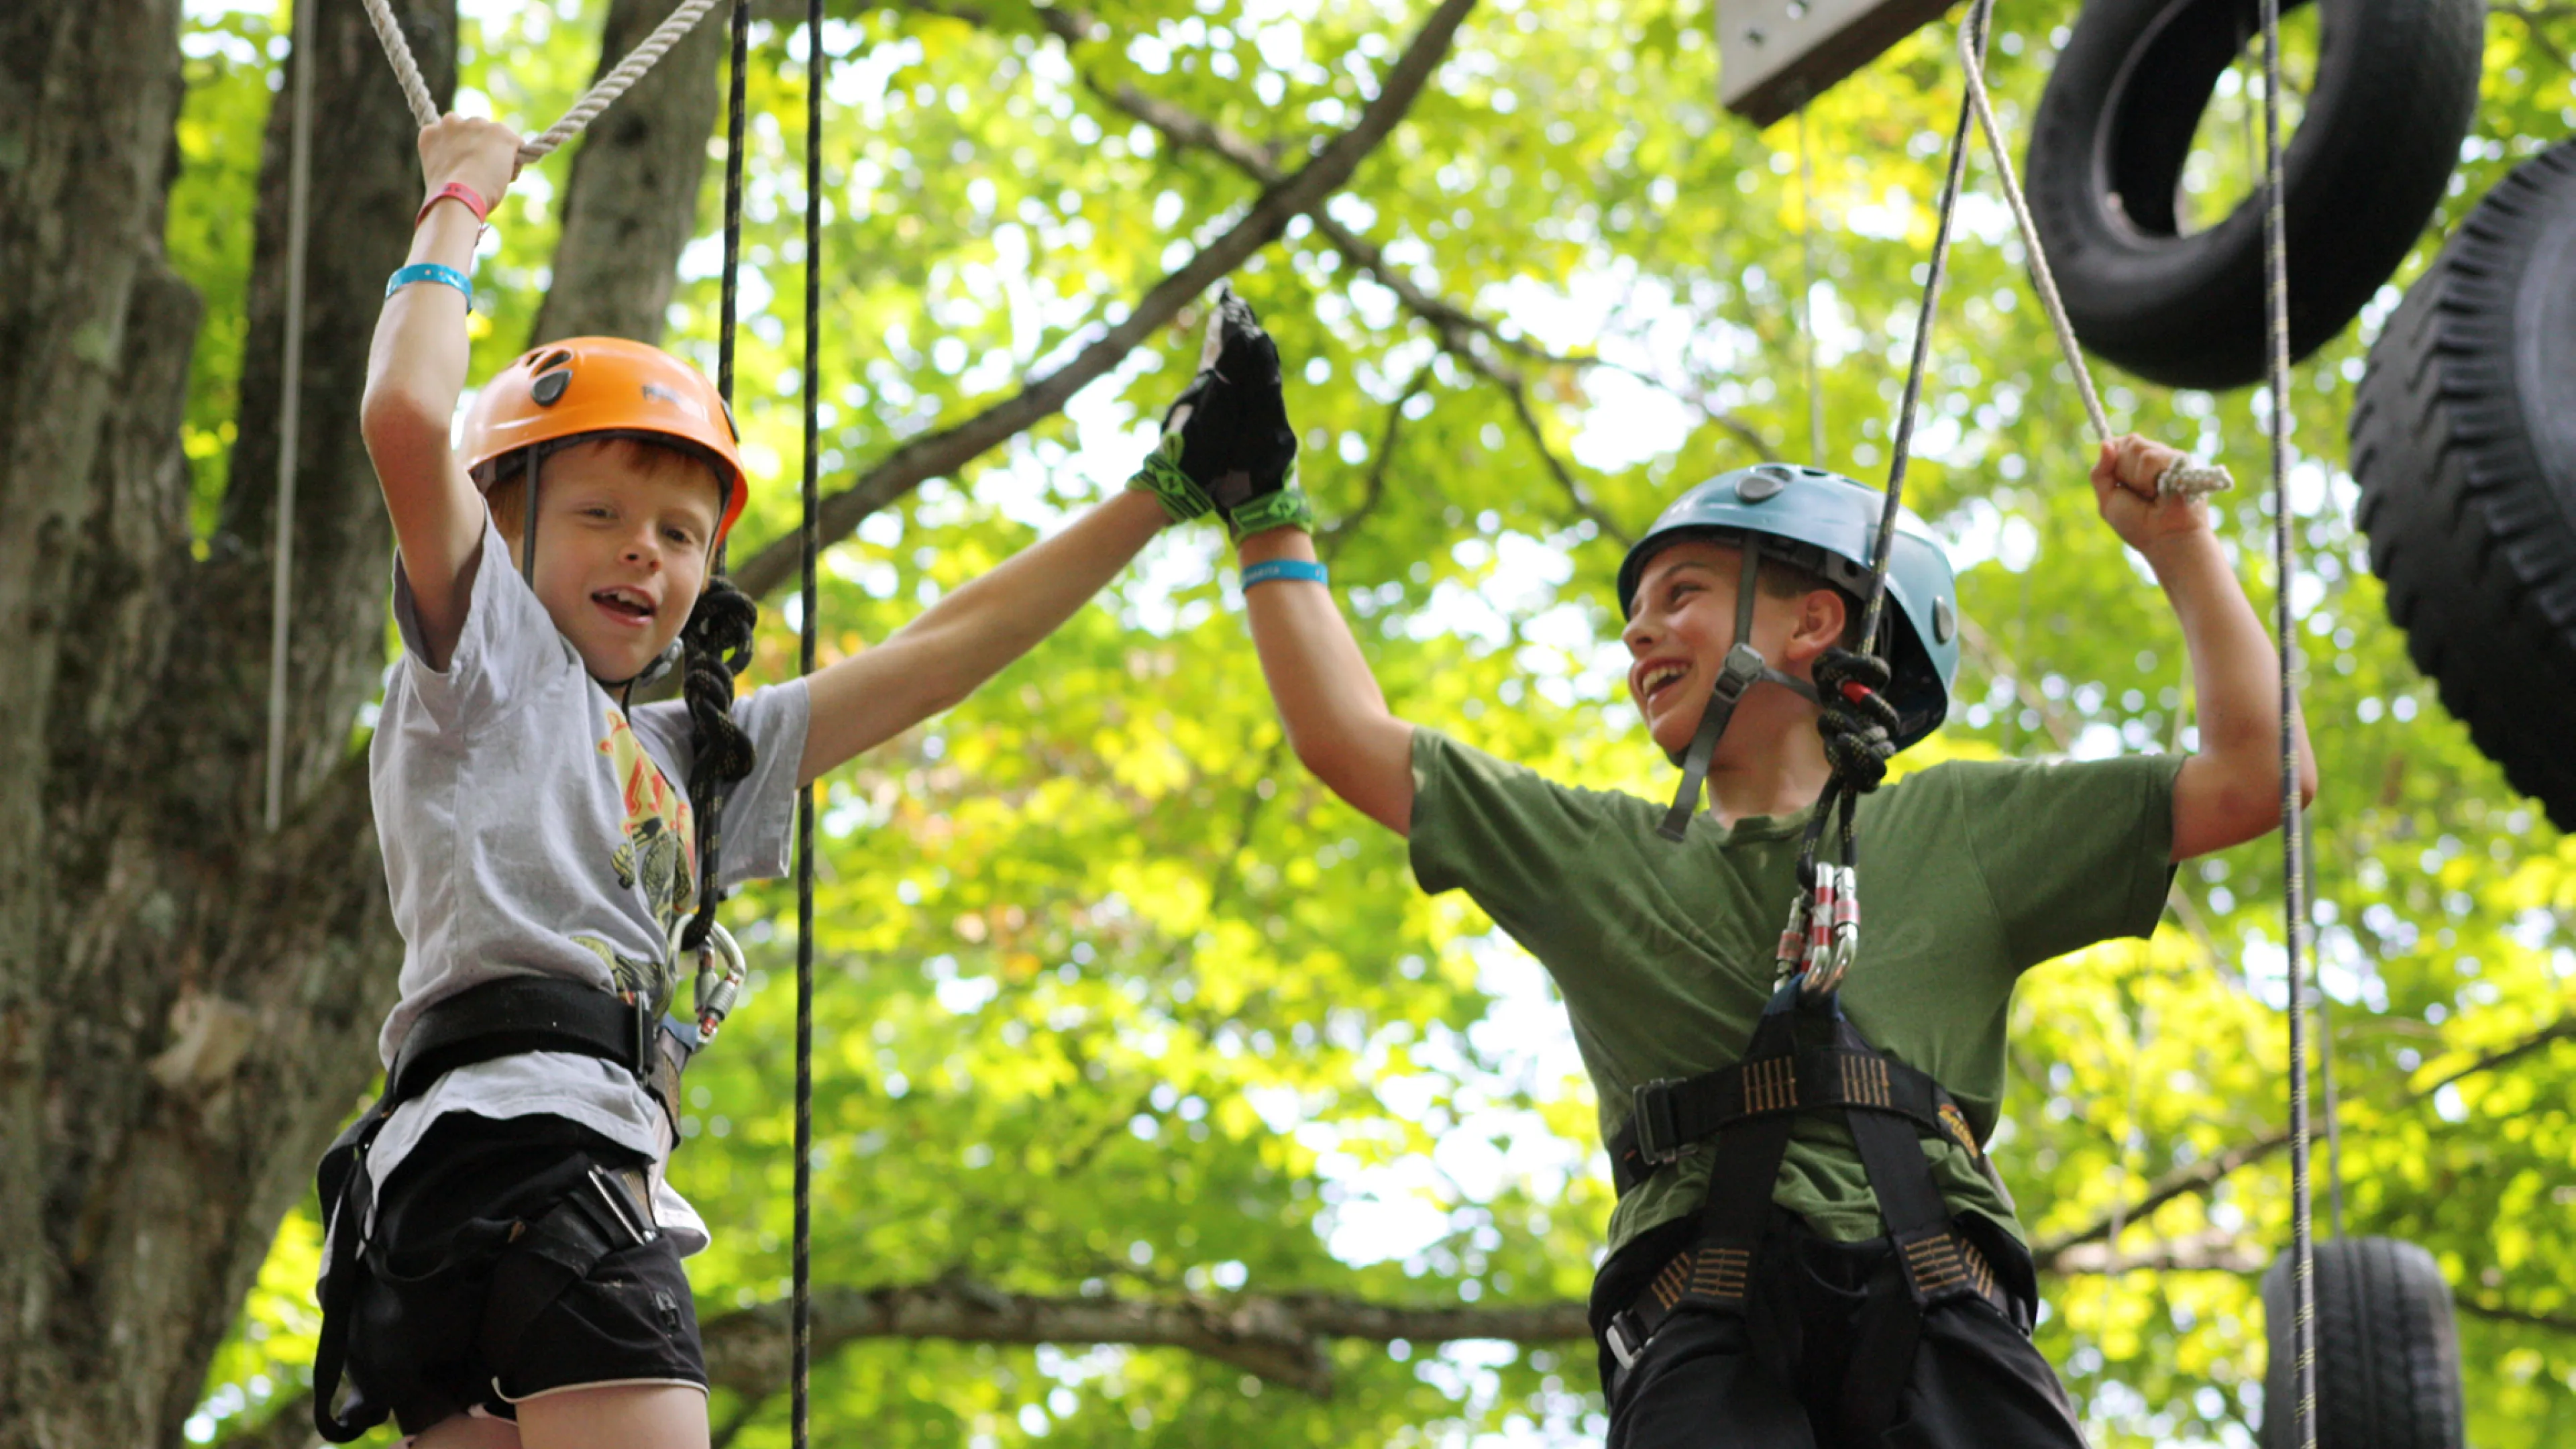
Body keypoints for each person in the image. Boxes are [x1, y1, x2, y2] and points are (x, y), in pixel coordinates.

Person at [313, 112, 1295, 1449]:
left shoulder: (689, 763)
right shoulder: (484, 654)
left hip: (440, 1212)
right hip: (542, 1161)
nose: (644, 558)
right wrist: (457, 207)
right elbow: (405, 413)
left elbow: (943, 652)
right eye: (599, 514)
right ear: (504, 515)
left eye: (678, 535)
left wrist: (1165, 490)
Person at [1214, 330, 2315, 1441]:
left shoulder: (1962, 827)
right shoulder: (1597, 854)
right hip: (1701, 1318)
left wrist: (2183, 549)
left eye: (1680, 594)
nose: (1639, 631)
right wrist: (1265, 510)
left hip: (1943, 1298)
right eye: (1634, 616)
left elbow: (2260, 776)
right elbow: (1347, 738)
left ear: (1815, 623)